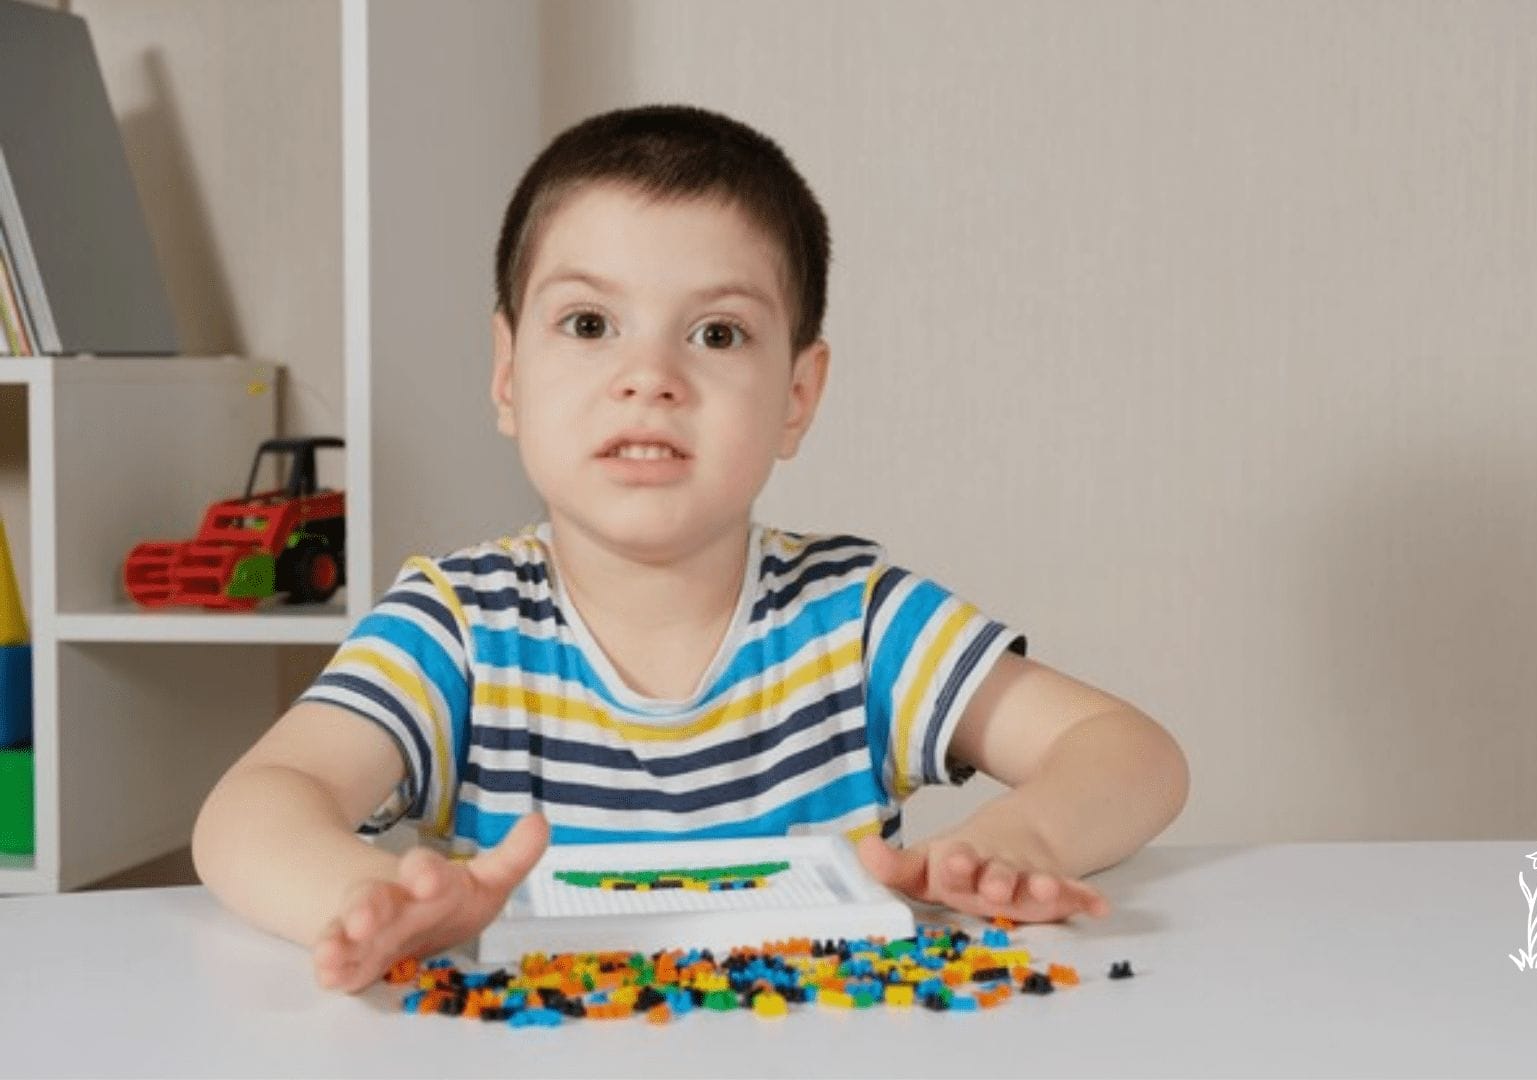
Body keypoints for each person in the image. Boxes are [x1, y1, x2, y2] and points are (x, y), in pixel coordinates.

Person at [192, 104, 1189, 994]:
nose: (649, 376)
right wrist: (382, 897)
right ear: (507, 373)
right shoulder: (455, 629)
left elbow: (1128, 753)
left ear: (798, 395)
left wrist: (1015, 840)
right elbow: (251, 814)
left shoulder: (857, 619)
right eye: (589, 323)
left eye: (716, 335)